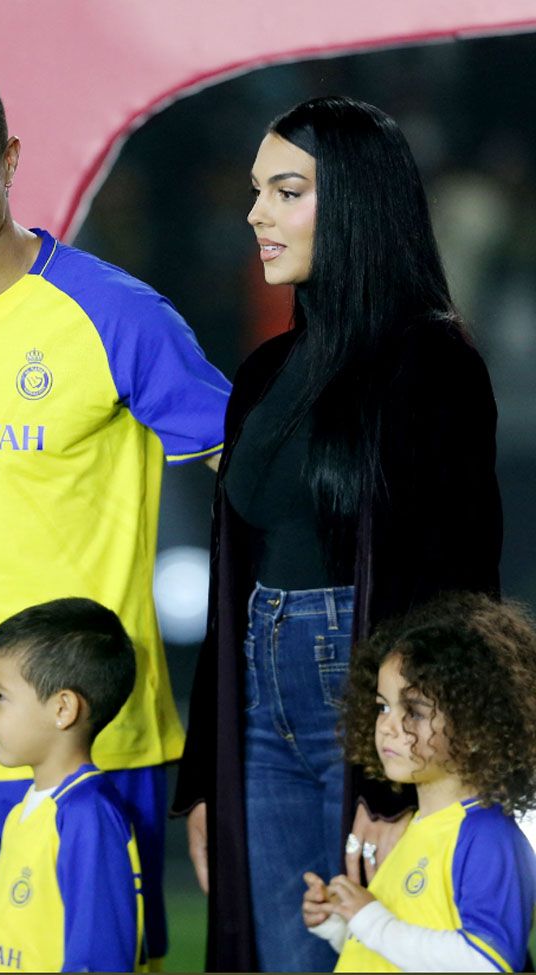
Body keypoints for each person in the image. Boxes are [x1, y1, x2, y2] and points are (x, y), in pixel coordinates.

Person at [0, 58, 230, 970]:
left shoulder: (117, 314)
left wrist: (228, 738)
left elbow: (253, 483)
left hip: (96, 743)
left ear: (10, 161)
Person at [173, 96, 503, 972]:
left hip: (367, 707)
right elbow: (226, 581)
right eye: (257, 191)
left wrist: (403, 777)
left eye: (286, 191)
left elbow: (460, 588)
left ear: (354, 202)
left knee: (377, 957)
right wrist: (207, 772)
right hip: (257, 706)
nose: (256, 215)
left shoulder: (434, 363)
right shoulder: (264, 373)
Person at [302, 592, 536, 972]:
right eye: (383, 706)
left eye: (414, 710)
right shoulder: (411, 829)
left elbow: (486, 962)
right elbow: (404, 944)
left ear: (478, 725)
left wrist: (371, 920)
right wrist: (341, 923)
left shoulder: (489, 836)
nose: (388, 726)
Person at [0, 598, 145, 973]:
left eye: (0, 696)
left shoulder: (87, 814)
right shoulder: (26, 810)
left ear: (63, 709)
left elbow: (100, 957)